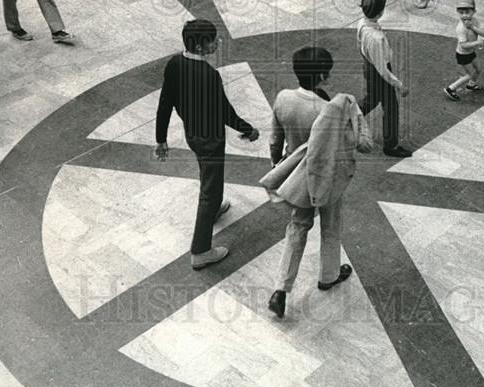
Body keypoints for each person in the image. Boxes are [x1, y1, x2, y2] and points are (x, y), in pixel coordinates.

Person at [267, 47, 372, 319]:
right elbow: (352, 146)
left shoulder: (283, 98)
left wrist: (278, 164)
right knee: (331, 225)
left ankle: (281, 288)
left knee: (297, 227)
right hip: (327, 177)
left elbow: (275, 140)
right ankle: (329, 275)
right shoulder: (329, 111)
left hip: (298, 177)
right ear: (323, 75)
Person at [154, 18, 260, 270]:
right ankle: (200, 251)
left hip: (193, 135)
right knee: (210, 191)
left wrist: (161, 138)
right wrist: (249, 129)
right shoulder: (209, 76)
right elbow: (225, 112)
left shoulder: (174, 64)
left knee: (209, 177)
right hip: (211, 139)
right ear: (201, 47)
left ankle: (213, 211)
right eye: (213, 40)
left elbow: (165, 103)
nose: (218, 42)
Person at [356, 0, 411, 158]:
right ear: (379, 13)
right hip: (378, 72)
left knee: (371, 99)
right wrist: (399, 84)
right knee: (391, 107)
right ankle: (391, 145)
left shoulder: (362, 24)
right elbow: (383, 70)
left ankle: (346, 118)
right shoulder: (376, 38)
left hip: (368, 65)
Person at [444, 0, 484, 101]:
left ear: (474, 11)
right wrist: (477, 42)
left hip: (471, 52)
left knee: (478, 69)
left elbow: (483, 33)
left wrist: (472, 27)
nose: (464, 15)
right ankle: (450, 89)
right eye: (461, 12)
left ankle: (471, 85)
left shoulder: (474, 21)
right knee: (468, 74)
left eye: (467, 12)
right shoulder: (461, 28)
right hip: (463, 54)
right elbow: (463, 45)